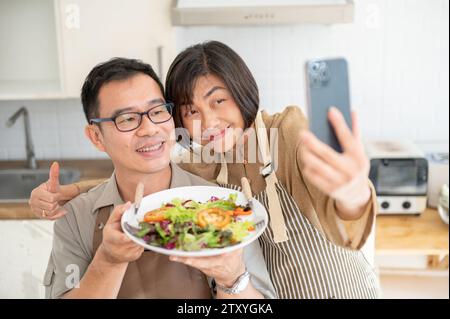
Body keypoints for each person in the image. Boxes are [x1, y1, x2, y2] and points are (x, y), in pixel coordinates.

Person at [31, 41, 381, 298]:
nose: (209, 122)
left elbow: (343, 216)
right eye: (191, 110)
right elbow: (147, 172)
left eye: (218, 100)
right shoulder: (208, 167)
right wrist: (77, 193)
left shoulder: (286, 132)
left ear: (241, 91)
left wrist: (354, 192)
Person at [41, 57, 276, 299]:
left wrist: (232, 279)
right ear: (96, 137)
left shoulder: (222, 206)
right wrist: (109, 261)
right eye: (127, 119)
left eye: (157, 111)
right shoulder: (76, 219)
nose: (150, 129)